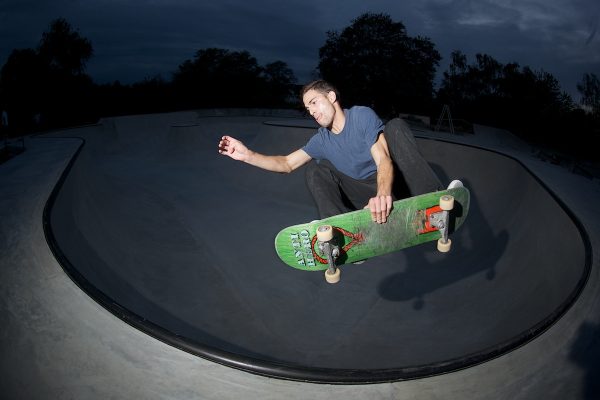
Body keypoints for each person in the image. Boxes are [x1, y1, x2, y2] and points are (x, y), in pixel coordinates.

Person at [218, 80, 443, 224]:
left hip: (392, 185)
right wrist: (248, 155)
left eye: (314, 103)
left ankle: (435, 201)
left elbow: (383, 159)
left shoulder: (361, 116)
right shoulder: (321, 140)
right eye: (308, 109)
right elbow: (286, 163)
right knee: (315, 171)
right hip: (360, 195)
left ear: (332, 97)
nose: (312, 112)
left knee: (395, 126)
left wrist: (382, 194)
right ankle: (340, 232)